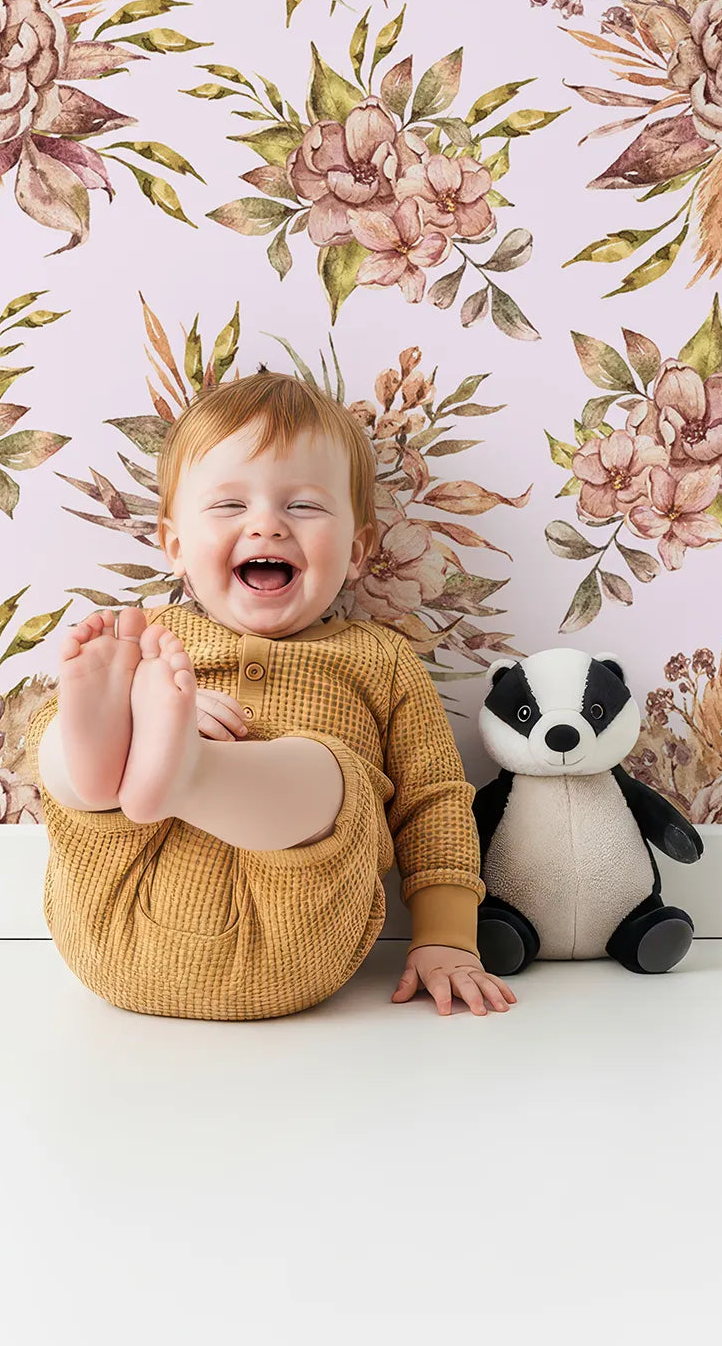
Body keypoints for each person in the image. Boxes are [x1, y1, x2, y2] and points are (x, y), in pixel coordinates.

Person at [28, 370, 516, 1021]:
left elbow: (433, 801)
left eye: (304, 506)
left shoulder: (379, 659)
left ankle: (184, 773)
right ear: (174, 545)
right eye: (230, 506)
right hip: (116, 912)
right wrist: (136, 716)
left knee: (327, 769)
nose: (266, 526)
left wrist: (446, 936)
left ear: (358, 550)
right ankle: (110, 762)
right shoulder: (151, 641)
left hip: (295, 937)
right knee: (60, 738)